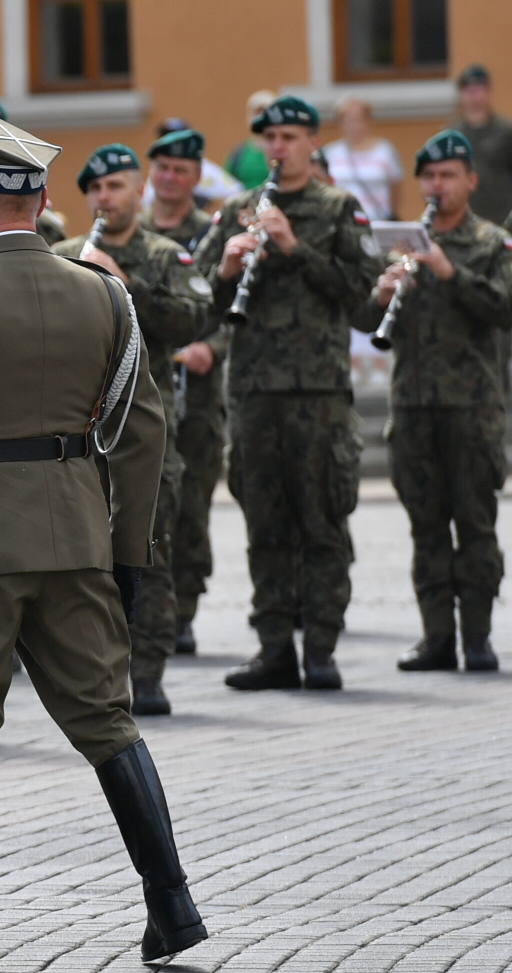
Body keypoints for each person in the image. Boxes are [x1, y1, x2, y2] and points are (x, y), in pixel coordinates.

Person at [0, 113, 204, 972]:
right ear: (46, 200)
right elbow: (142, 432)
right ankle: (172, 904)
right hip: (76, 534)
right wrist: (125, 552)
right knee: (106, 720)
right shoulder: (102, 292)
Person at [195, 96, 382, 691]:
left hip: (318, 391)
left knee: (321, 518)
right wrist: (226, 267)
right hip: (252, 390)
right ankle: (274, 647)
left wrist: (296, 248)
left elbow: (362, 299)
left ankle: (321, 647)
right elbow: (198, 301)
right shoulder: (237, 209)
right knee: (265, 521)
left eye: (288, 137)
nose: (277, 147)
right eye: (268, 138)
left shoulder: (338, 208)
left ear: (310, 142)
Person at [54, 145, 210, 716]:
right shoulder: (65, 256)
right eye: (95, 190)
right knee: (86, 559)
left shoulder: (167, 255)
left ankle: (147, 674)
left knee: (149, 550)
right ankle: (97, 676)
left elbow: (194, 319)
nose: (104, 199)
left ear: (138, 191)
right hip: (82, 428)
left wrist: (126, 283)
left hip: (143, 429)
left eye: (115, 187)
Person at [352, 131, 512, 672]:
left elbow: (505, 307)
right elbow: (363, 319)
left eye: (447, 176)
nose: (436, 186)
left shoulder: (492, 242)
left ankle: (479, 638)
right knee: (426, 528)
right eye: (429, 177)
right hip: (414, 409)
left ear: (471, 180)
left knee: (475, 524)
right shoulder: (405, 244)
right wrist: (382, 293)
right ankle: (437, 638)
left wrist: (450, 271)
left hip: (472, 410)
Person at [140, 129, 228, 657]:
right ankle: (147, 609)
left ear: (196, 178)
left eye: (180, 170)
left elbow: (225, 306)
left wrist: (211, 348)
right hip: (147, 387)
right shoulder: (135, 232)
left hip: (195, 395)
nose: (170, 178)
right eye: (162, 168)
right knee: (151, 505)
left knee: (191, 505)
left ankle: (184, 609)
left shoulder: (209, 234)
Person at [324, 96, 402, 220]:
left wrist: (392, 215)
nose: (354, 126)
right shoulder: (330, 153)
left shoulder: (384, 151)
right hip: (343, 221)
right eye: (348, 121)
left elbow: (395, 186)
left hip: (376, 221)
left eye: (358, 120)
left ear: (368, 121)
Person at [451, 65, 512, 225]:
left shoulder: (505, 131)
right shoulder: (452, 134)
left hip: (500, 217)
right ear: (461, 94)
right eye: (469, 91)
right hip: (464, 220)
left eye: (479, 90)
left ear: (488, 91)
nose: (474, 96)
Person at [224, 90, 276, 190]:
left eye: (266, 112)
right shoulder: (237, 154)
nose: (261, 118)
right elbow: (226, 188)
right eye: (257, 113)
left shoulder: (282, 151)